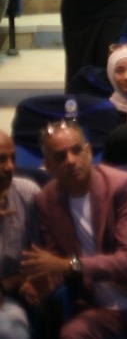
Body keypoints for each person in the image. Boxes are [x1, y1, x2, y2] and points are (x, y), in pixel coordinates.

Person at [22, 120, 127, 339]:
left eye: (76, 150)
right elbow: (56, 261)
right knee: (71, 334)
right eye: (60, 156)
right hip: (102, 307)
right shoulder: (47, 200)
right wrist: (43, 283)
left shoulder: (126, 188)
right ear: (48, 165)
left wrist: (69, 265)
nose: (70, 161)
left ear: (89, 152)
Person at [0, 130, 37, 338]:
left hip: (9, 298)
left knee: (10, 329)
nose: (10, 167)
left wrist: (6, 285)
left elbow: (43, 261)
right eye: (1, 160)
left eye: (13, 158)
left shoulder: (28, 194)